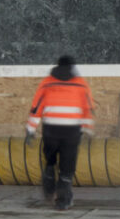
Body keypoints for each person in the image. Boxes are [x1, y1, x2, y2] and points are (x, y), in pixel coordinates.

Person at [26, 55, 94, 210]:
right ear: (72, 66)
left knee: (50, 160)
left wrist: (30, 129)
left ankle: (49, 182)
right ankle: (63, 201)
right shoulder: (81, 84)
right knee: (67, 167)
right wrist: (88, 129)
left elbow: (36, 107)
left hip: (51, 129)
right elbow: (87, 108)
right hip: (71, 131)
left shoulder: (47, 83)